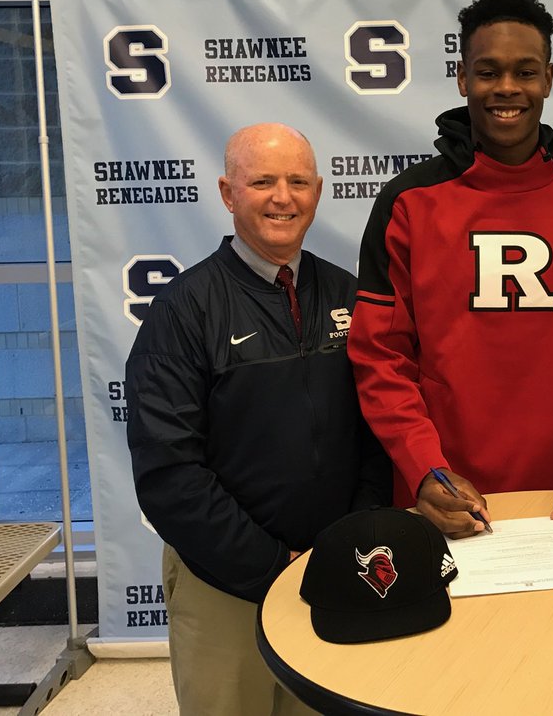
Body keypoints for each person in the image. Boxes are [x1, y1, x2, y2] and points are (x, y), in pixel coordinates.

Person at [348, 0, 553, 540]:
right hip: (445, 503)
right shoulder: (408, 204)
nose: (507, 88)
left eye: (525, 71)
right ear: (463, 79)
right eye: (488, 72)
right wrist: (424, 469)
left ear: (549, 79)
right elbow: (379, 358)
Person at [126, 124, 391, 716]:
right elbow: (170, 474)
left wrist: (344, 543)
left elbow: (378, 433)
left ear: (319, 191)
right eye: (262, 181)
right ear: (227, 192)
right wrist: (273, 568)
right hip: (224, 587)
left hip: (330, 576)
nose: (283, 197)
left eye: (298, 181)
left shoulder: (348, 294)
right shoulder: (183, 311)